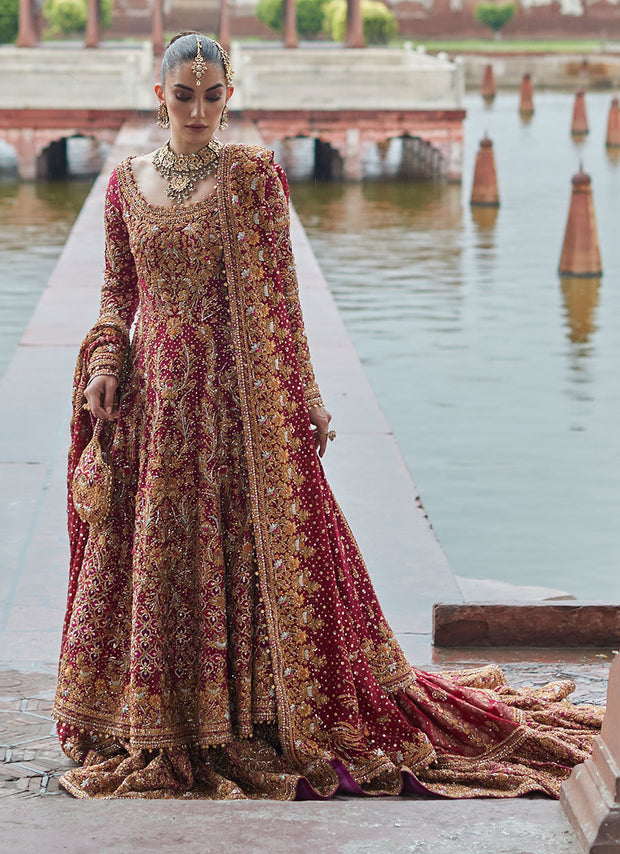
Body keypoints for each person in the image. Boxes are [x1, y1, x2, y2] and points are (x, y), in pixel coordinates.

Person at [53, 32, 603, 800]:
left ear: (229, 95)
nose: (200, 110)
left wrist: (305, 398)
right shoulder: (124, 186)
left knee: (231, 556)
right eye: (185, 96)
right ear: (159, 96)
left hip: (234, 409)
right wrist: (106, 366)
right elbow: (118, 293)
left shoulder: (253, 181)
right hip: (153, 409)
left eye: (214, 96)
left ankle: (246, 718)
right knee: (164, 560)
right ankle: (163, 720)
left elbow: (282, 302)